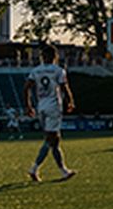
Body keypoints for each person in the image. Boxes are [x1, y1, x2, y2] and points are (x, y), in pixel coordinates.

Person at [25, 46, 77, 182]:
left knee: (54, 141)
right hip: (53, 107)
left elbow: (26, 88)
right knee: (51, 140)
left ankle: (64, 171)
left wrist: (28, 106)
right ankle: (34, 168)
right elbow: (64, 87)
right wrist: (71, 101)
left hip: (41, 107)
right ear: (55, 56)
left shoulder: (35, 71)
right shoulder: (58, 71)